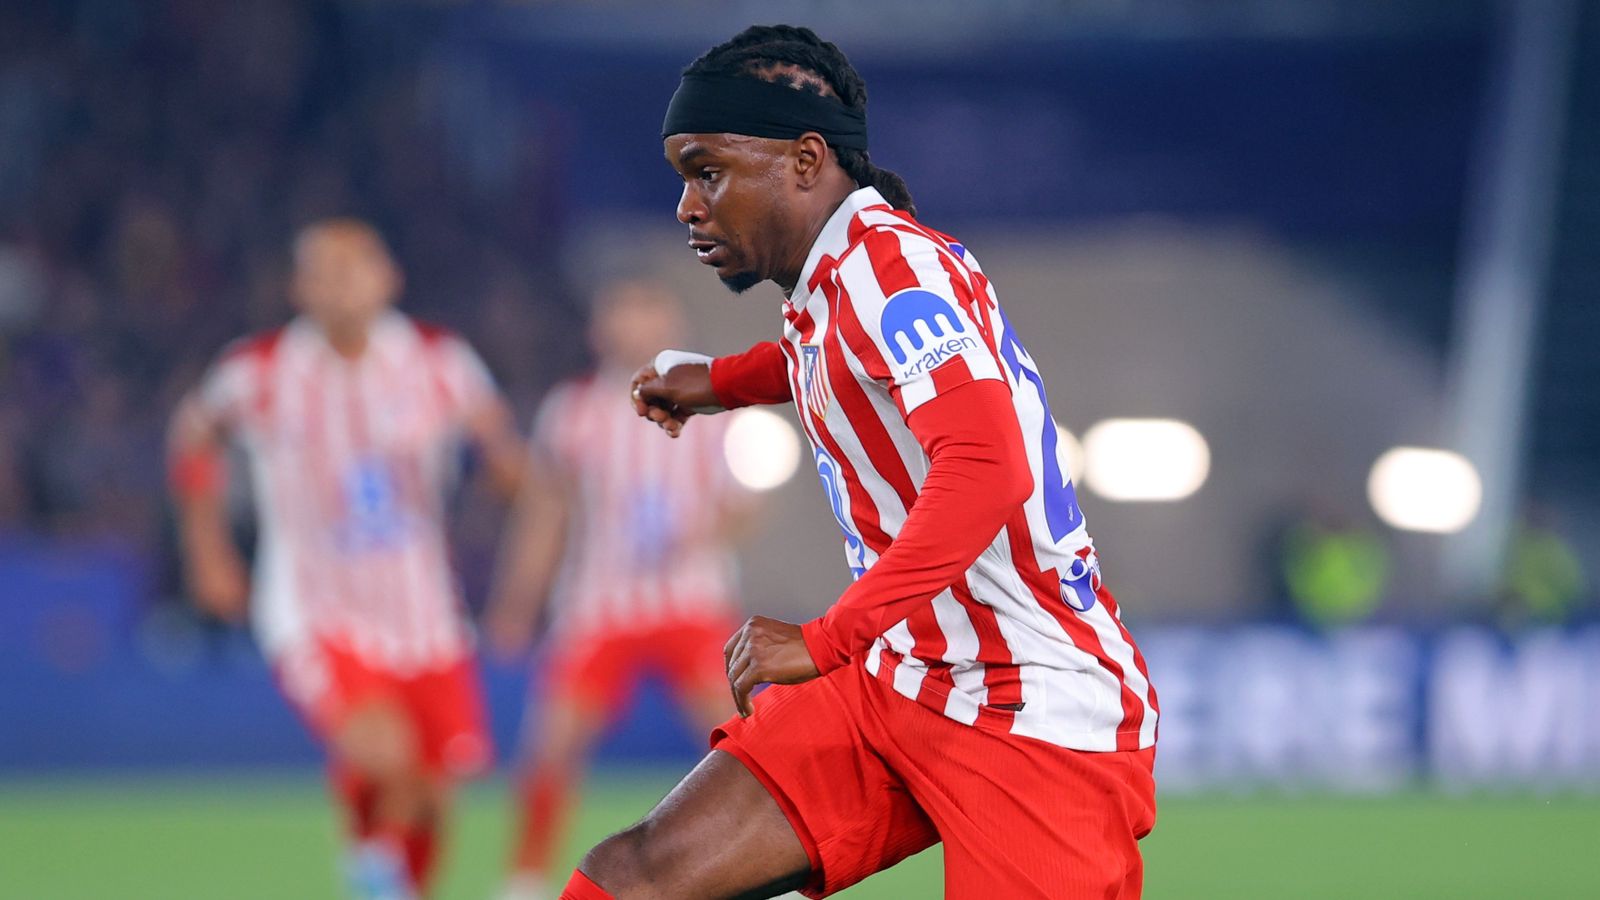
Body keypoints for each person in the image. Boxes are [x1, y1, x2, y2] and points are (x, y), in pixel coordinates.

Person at [557, 24, 1160, 900]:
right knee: (637, 876)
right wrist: (718, 381)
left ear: (806, 160)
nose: (688, 206)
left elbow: (985, 465)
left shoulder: (892, 269)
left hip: (1028, 708)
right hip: (900, 682)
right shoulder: (844, 273)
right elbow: (829, 353)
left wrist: (827, 638)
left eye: (708, 171)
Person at [168, 218, 527, 900]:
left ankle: (384, 876)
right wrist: (207, 551)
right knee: (384, 752)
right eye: (322, 271)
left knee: (431, 791)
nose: (339, 284)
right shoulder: (261, 369)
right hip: (314, 604)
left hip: (424, 612)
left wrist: (506, 470)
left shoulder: (439, 362)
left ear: (389, 277)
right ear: (298, 288)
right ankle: (372, 873)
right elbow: (193, 434)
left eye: (354, 267)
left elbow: (500, 447)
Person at [487, 279, 757, 900]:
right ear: (599, 329)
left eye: (648, 312)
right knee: (550, 745)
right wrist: (515, 605)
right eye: (623, 314)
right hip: (598, 605)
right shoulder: (572, 412)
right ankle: (525, 879)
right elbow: (545, 514)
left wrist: (706, 529)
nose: (635, 327)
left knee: (743, 743)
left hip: (691, 600)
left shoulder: (713, 401)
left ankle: (773, 870)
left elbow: (743, 502)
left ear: (672, 323)